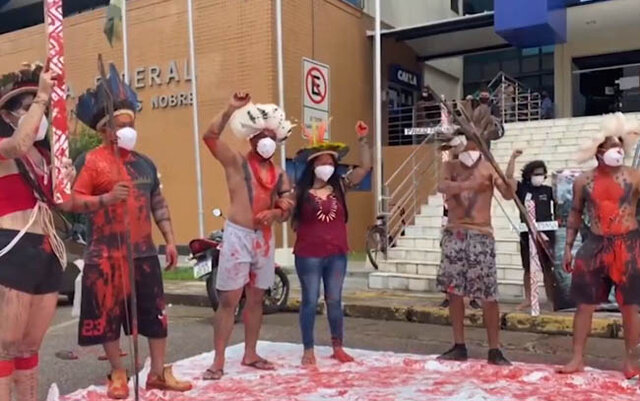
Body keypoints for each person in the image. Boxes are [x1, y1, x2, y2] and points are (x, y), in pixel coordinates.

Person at [70, 64, 191, 399]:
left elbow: (158, 203)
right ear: (106, 129)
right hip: (106, 255)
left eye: (131, 124)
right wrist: (106, 198)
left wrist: (168, 240)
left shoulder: (144, 163)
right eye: (121, 125)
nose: (128, 130)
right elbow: (72, 201)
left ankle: (156, 373)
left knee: (155, 314)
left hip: (143, 252)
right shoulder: (91, 161)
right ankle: (118, 373)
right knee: (108, 317)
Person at [202, 92, 294, 380]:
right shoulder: (236, 163)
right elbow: (210, 136)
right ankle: (218, 360)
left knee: (256, 298)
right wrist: (230, 108)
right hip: (238, 235)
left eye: (271, 136)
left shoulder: (279, 173)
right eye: (261, 135)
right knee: (229, 299)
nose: (266, 140)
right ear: (252, 138)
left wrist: (276, 214)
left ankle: (250, 353)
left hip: (264, 240)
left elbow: (288, 202)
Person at [0, 62, 75, 401]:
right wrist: (43, 96)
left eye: (39, 105)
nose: (38, 112)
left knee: (29, 347)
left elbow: (67, 203)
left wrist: (66, 177)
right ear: (10, 114)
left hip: (47, 249)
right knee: (5, 347)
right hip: (13, 246)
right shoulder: (6, 147)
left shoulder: (45, 158)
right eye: (29, 107)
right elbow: (17, 145)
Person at [558, 113, 640, 377]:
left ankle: (630, 361)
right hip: (594, 243)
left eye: (619, 146)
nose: (616, 151)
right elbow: (575, 212)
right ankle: (577, 358)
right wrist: (569, 247)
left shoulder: (634, 177)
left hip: (628, 244)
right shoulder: (584, 180)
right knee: (585, 304)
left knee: (630, 305)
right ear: (598, 152)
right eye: (610, 147)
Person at [291, 120, 372, 365]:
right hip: (308, 256)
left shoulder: (340, 186)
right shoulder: (299, 192)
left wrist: (363, 140)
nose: (327, 166)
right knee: (310, 299)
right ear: (312, 165)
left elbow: (366, 166)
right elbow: (284, 211)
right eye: (322, 162)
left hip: (337, 254)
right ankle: (308, 350)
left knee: (334, 300)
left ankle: (338, 346)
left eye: (331, 162)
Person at [436, 131, 516, 366]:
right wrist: (469, 184)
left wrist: (510, 174)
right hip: (455, 231)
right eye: (464, 144)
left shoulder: (490, 167)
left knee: (488, 294)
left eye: (472, 145)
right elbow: (442, 186)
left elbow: (508, 194)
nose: (468, 150)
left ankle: (494, 348)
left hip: (481, 233)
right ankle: (459, 344)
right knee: (454, 292)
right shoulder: (450, 166)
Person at [506, 152, 557, 310]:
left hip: (547, 233)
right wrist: (513, 158)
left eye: (542, 174)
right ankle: (529, 298)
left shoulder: (548, 190)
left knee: (548, 268)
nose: (539, 176)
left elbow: (557, 206)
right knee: (528, 268)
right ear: (529, 175)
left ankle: (552, 299)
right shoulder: (522, 189)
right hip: (527, 233)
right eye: (536, 174)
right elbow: (507, 178)